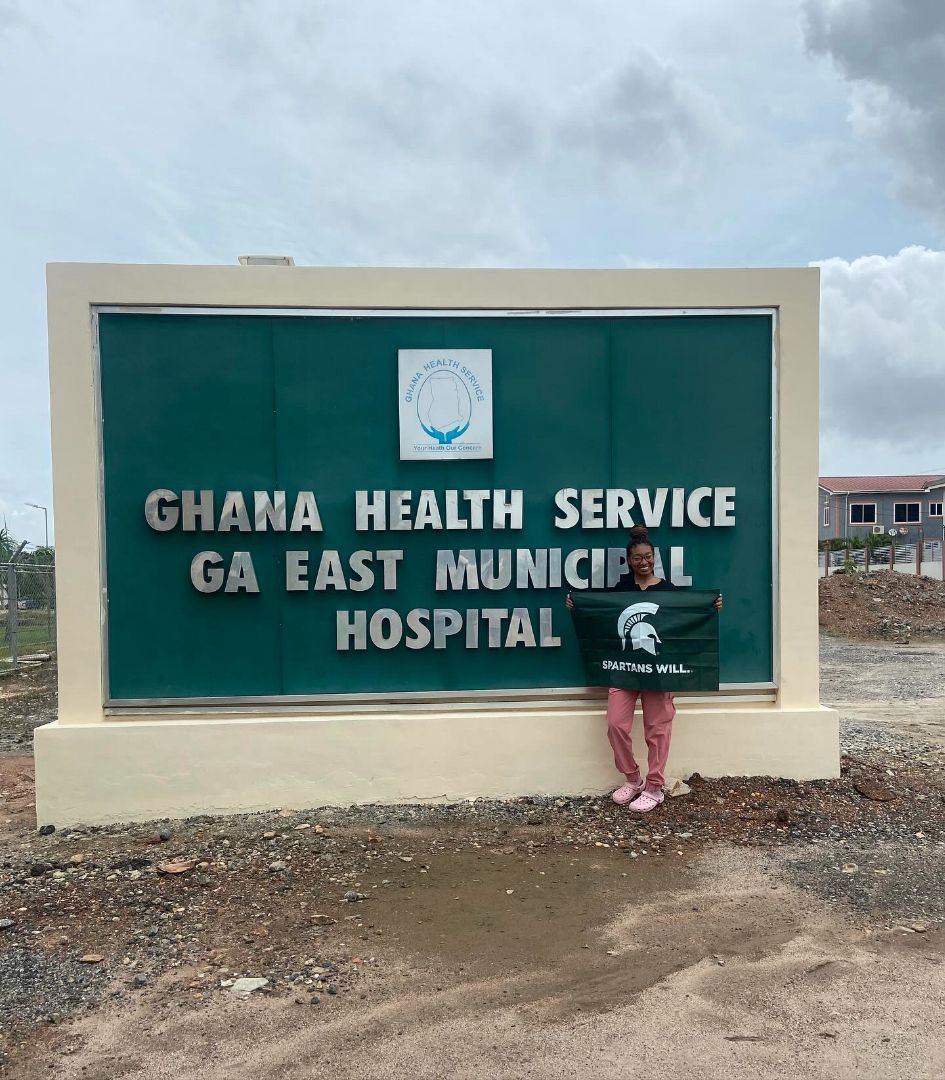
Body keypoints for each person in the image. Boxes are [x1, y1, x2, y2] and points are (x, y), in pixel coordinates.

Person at [567, 526, 722, 814]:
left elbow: (687, 619)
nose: (644, 561)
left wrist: (710, 609)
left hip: (659, 672)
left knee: (657, 729)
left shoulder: (669, 591)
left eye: (648, 556)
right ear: (629, 560)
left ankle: (654, 787)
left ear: (654, 557)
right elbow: (599, 617)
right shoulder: (620, 590)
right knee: (616, 724)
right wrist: (577, 606)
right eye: (638, 557)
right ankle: (632, 778)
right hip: (624, 670)